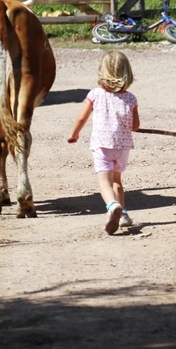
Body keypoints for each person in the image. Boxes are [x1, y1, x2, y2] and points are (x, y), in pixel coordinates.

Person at [68, 51, 140, 235]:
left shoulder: (95, 94)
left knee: (104, 184)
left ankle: (112, 205)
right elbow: (136, 126)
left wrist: (74, 134)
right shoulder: (131, 98)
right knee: (117, 182)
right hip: (122, 147)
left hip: (102, 145)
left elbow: (82, 118)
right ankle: (123, 215)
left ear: (103, 71)